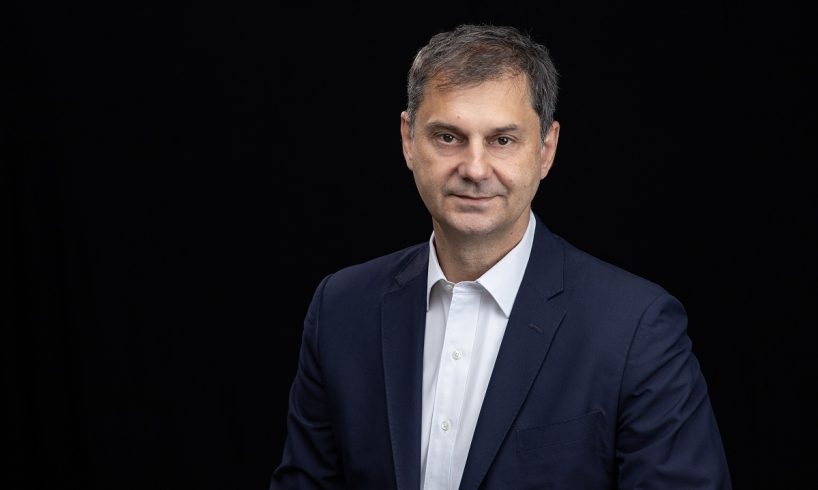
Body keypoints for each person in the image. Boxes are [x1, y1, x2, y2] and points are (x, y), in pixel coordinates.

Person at [270, 23, 731, 489]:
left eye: (502, 140)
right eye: (448, 137)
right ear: (408, 140)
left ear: (546, 149)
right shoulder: (341, 308)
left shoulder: (635, 329)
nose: (474, 168)